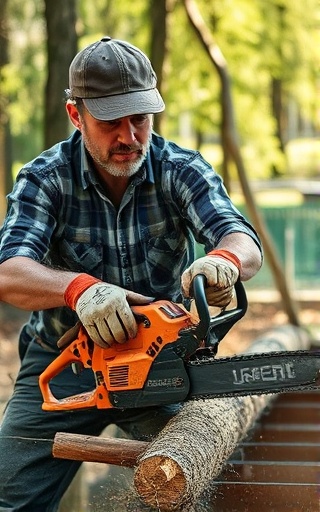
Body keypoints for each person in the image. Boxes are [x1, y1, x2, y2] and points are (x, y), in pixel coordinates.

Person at [0, 36, 262, 511]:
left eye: (139, 119)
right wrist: (79, 289)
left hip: (161, 364)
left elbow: (239, 236)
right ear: (76, 116)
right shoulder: (44, 178)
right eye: (110, 122)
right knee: (11, 501)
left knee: (195, 485)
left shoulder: (179, 169)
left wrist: (224, 261)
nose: (129, 137)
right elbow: (9, 271)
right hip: (67, 364)